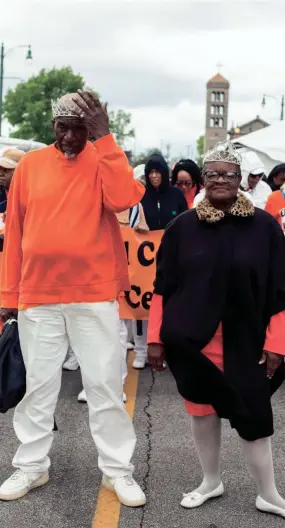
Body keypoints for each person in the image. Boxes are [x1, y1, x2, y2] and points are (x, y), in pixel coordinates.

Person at [0, 90, 146, 507]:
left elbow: (123, 199)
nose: (69, 137)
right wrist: (9, 294)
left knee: (104, 386)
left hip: (93, 294)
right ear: (52, 127)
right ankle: (32, 466)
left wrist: (105, 139)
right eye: (62, 127)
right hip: (38, 296)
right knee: (38, 387)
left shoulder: (104, 158)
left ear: (92, 129)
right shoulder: (29, 165)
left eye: (79, 129)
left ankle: (118, 471)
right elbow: (16, 235)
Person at [147, 141, 285, 518]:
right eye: (213, 174)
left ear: (241, 180)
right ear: (203, 180)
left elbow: (280, 291)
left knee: (255, 416)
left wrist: (277, 343)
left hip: (248, 343)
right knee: (202, 412)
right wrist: (156, 339)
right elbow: (163, 287)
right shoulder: (182, 228)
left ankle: (269, 494)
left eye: (228, 174)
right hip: (194, 343)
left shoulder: (265, 228)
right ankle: (211, 481)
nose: (220, 179)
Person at [141, 153, 188, 230]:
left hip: (172, 241)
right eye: (150, 172)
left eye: (157, 172)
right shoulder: (141, 195)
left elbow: (185, 222)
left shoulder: (177, 195)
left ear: (164, 173)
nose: (153, 176)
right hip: (147, 241)